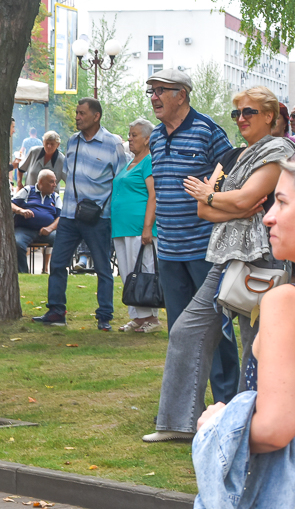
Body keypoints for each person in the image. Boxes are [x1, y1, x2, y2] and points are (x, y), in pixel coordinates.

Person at [144, 86, 295, 442]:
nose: (241, 119)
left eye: (249, 113)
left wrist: (215, 196)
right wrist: (225, 202)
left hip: (263, 259)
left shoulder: (280, 151)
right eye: (237, 114)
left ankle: (251, 424)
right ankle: (178, 424)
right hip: (225, 257)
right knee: (186, 332)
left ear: (270, 116)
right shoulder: (231, 154)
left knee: (256, 343)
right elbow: (207, 210)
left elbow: (244, 198)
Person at [192, 158, 295, 506]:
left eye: (281, 202)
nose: (268, 216)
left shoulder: (285, 302)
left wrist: (218, 422)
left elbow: (273, 429)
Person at [147, 68, 238, 404]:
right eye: (151, 91)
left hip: (205, 250)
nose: (154, 97)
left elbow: (234, 174)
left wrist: (209, 194)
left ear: (181, 94)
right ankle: (186, 408)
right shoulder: (155, 137)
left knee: (215, 329)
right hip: (169, 250)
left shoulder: (207, 131)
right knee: (180, 332)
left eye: (160, 90)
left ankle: (227, 402)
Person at [32, 98, 127, 330]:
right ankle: (56, 311)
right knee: (57, 264)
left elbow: (120, 180)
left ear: (96, 116)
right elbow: (68, 174)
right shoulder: (73, 141)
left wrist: (107, 210)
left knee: (103, 268)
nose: (77, 117)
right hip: (69, 215)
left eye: (82, 113)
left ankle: (104, 316)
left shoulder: (113, 143)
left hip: (98, 218)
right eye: (76, 112)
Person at [112, 119, 160, 333]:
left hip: (139, 226)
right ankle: (137, 317)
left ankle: (151, 317)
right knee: (128, 272)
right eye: (129, 135)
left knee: (143, 270)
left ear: (147, 139)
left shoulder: (148, 161)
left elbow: (153, 195)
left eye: (134, 135)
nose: (130, 139)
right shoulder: (129, 162)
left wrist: (148, 227)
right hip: (121, 227)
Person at [11, 170, 60, 275]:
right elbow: (11, 204)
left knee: (63, 240)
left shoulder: (55, 197)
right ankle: (23, 274)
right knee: (17, 243)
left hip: (47, 231)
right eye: (51, 182)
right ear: (41, 182)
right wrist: (21, 210)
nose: (54, 185)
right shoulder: (28, 191)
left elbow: (60, 217)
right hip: (25, 229)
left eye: (55, 182)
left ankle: (57, 273)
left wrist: (50, 228)